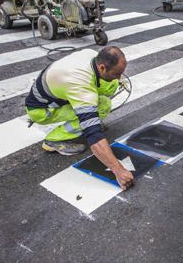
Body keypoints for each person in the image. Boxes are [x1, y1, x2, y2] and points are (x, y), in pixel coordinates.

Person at [25, 46, 134, 190]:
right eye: (117, 73)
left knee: (111, 84)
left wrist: (113, 78)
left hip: (58, 90)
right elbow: (93, 135)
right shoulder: (80, 84)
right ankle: (53, 140)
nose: (120, 77)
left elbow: (107, 80)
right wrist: (118, 169)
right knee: (102, 107)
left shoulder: (92, 55)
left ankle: (87, 113)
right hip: (42, 109)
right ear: (102, 67)